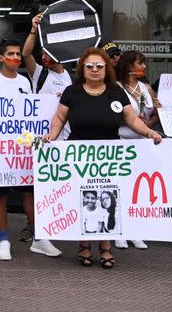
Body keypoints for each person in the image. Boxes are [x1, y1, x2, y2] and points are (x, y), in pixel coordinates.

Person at [45, 47, 162, 269]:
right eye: (90, 66)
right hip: (78, 155)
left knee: (110, 198)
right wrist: (51, 136)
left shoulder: (116, 93)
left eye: (99, 66)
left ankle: (106, 246)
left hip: (110, 156)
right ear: (83, 69)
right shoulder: (72, 92)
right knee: (85, 199)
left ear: (106, 68)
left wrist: (150, 132)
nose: (95, 70)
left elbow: (132, 119)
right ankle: (84, 245)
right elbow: (59, 118)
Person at [0, 38, 61, 259]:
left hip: (23, 149)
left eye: (18, 54)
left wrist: (53, 101)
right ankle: (3, 239)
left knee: (31, 192)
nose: (16, 57)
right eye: (11, 54)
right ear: (1, 58)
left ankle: (40, 238)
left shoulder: (25, 81)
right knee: (0, 194)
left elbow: (33, 111)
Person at [21, 13, 72, 248]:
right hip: (39, 138)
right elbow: (25, 54)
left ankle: (51, 225)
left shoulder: (72, 76)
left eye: (49, 53)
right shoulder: (39, 73)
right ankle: (37, 231)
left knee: (56, 185)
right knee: (34, 186)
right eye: (42, 54)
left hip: (64, 137)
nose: (44, 57)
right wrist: (33, 30)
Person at [114, 50, 158, 250]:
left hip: (143, 144)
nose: (144, 67)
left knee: (138, 189)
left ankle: (135, 231)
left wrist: (149, 121)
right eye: (141, 63)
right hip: (122, 142)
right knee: (120, 188)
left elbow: (156, 115)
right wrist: (130, 121)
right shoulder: (115, 88)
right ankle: (118, 231)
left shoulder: (146, 87)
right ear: (129, 65)